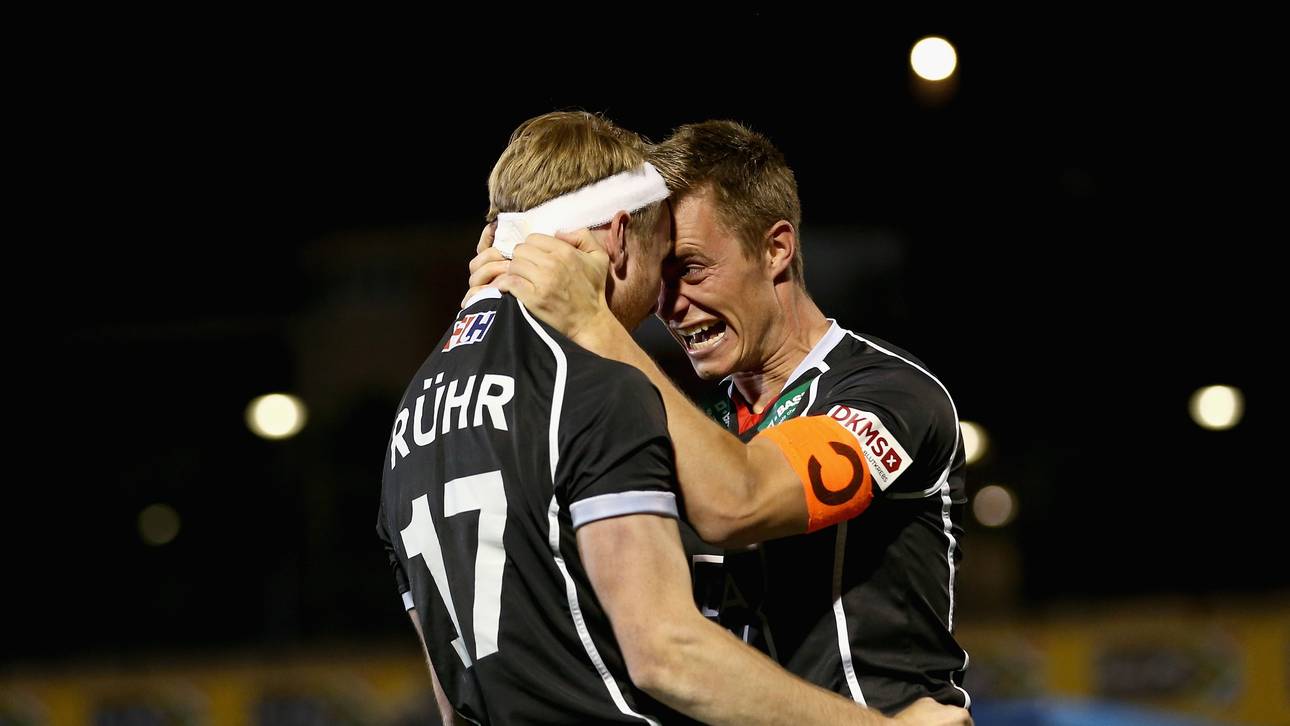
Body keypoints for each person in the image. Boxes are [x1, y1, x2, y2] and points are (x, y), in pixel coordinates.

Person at [379, 111, 971, 725]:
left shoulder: (891, 393)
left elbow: (742, 501)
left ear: (776, 248)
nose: (669, 305)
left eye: (689, 268)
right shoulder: (681, 412)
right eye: (659, 274)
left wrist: (594, 324)